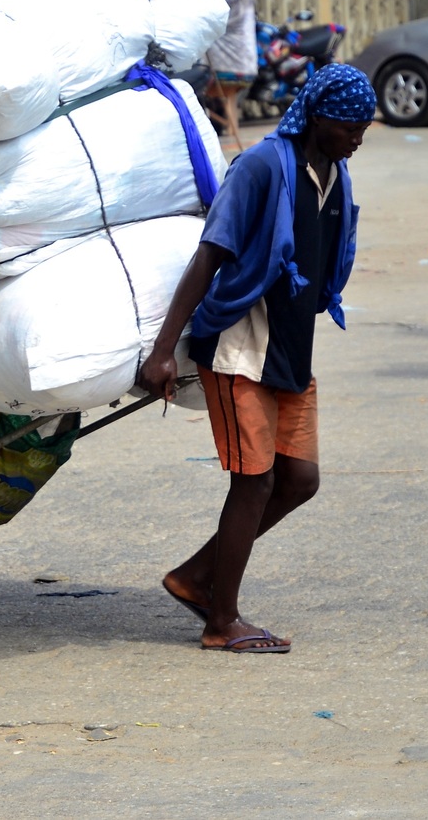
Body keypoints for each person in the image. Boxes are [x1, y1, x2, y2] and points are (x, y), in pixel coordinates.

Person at [137, 63, 372, 653]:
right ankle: (222, 620)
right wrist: (165, 350)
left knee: (300, 479)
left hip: (292, 348)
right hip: (243, 345)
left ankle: (194, 577)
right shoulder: (263, 167)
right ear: (318, 117)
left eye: (364, 128)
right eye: (350, 127)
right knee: (255, 481)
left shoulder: (333, 173)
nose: (358, 139)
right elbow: (210, 254)